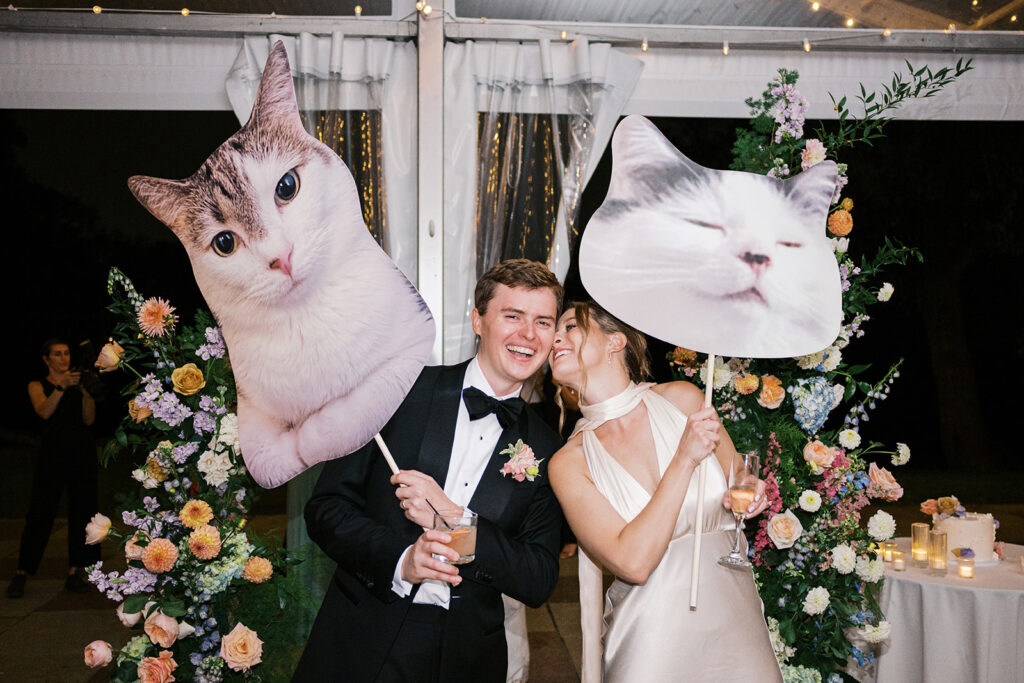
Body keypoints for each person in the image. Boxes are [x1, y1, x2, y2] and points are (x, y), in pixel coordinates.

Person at [294, 259, 565, 682]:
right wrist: (401, 560)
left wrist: (456, 521)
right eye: (512, 316)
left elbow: (538, 578)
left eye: (543, 322)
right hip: (365, 636)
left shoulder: (549, 448)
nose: (528, 334)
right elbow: (326, 508)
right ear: (478, 320)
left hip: (467, 657)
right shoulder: (401, 391)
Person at [548, 302, 782, 682]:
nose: (555, 337)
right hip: (652, 641)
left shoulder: (685, 401)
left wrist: (753, 492)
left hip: (734, 620)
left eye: (571, 326)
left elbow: (738, 475)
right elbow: (633, 563)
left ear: (615, 342)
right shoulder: (569, 463)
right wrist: (683, 460)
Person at [6, 338, 99, 599]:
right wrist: (60, 387)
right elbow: (43, 411)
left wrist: (84, 391)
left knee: (83, 511)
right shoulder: (38, 385)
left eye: (67, 353)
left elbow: (89, 419)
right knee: (40, 512)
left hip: (81, 454)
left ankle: (75, 571)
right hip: (52, 456)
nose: (64, 358)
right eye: (57, 354)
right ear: (46, 359)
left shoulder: (79, 383)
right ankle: (23, 571)